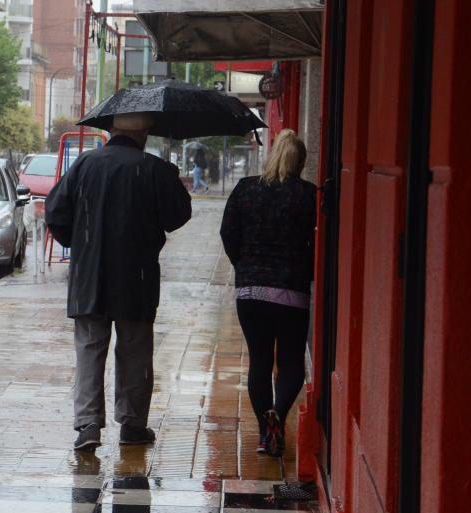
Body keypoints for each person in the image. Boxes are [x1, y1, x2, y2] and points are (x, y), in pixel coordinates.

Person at [45, 112, 192, 452]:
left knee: (89, 348)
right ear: (143, 135)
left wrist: (80, 245)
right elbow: (178, 217)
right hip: (136, 277)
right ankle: (132, 424)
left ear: (111, 131)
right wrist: (170, 177)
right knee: (135, 349)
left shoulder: (85, 164)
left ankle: (87, 426)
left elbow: (55, 211)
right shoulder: (153, 169)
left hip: (90, 276)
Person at [219, 129, 316, 457]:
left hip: (251, 291)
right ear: (301, 162)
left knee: (259, 361)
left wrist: (243, 265)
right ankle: (279, 412)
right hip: (292, 291)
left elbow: (227, 231)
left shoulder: (246, 189)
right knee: (290, 361)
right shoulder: (308, 195)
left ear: (271, 156)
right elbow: (319, 240)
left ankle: (264, 433)